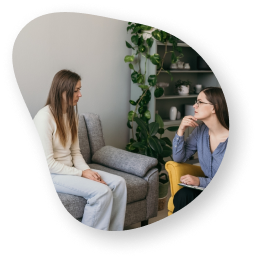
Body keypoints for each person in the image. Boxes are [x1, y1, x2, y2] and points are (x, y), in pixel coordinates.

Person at [33, 69, 127, 231]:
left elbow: (75, 152)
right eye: (76, 90)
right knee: (102, 192)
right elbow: (47, 163)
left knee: (119, 183)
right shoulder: (44, 117)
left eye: (79, 89)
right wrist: (81, 173)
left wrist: (87, 171)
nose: (80, 94)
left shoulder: (71, 115)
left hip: (69, 170)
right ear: (63, 91)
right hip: (51, 174)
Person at [172, 87, 229, 213]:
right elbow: (178, 157)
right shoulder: (200, 131)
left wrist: (199, 181)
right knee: (183, 195)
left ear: (215, 107)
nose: (194, 106)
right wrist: (181, 130)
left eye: (199, 102)